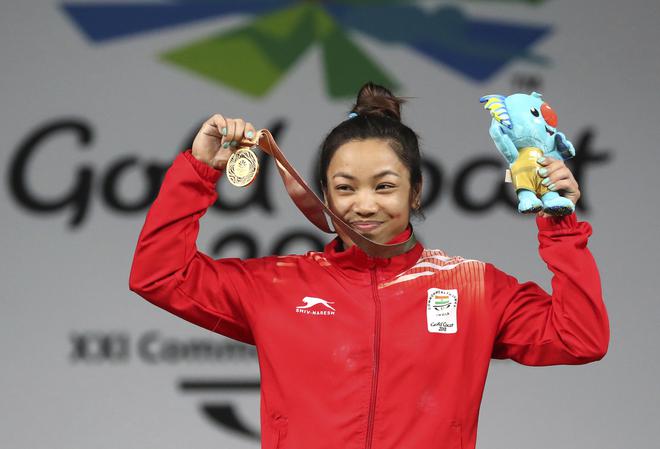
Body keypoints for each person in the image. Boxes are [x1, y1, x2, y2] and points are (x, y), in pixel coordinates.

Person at [129, 82, 610, 449]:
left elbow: (579, 337)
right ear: (324, 194)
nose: (364, 205)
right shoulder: (278, 285)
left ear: (414, 191)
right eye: (344, 187)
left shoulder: (473, 288)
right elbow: (160, 274)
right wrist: (199, 169)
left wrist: (559, 225)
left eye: (384, 186)